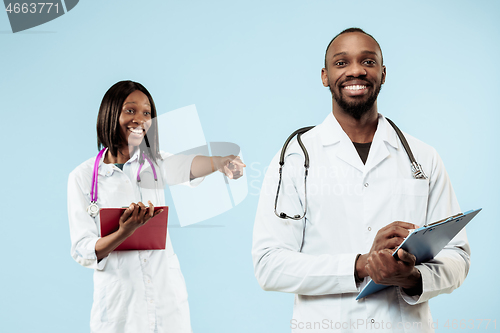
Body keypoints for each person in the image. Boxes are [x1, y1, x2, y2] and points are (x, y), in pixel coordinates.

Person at [252, 28, 470, 332]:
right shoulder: (294, 159)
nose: (356, 70)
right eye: (341, 63)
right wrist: (360, 264)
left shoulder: (423, 157)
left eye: (368, 62)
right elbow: (269, 266)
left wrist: (412, 278)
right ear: (325, 76)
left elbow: (457, 256)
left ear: (382, 73)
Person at [68, 80, 245, 333]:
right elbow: (83, 250)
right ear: (110, 114)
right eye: (130, 110)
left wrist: (220, 162)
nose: (140, 119)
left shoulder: (155, 162)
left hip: (166, 300)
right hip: (119, 307)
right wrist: (123, 233)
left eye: (147, 113)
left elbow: (188, 166)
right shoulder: (83, 177)